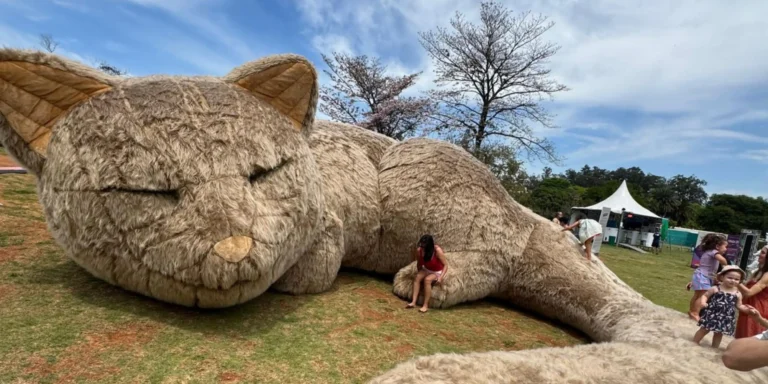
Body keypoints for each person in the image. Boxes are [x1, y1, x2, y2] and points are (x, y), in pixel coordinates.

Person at [692, 266, 751, 349]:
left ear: (740, 281)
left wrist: (746, 309)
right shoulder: (716, 288)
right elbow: (705, 295)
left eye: (736, 279)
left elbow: (739, 305)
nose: (733, 280)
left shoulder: (737, 293)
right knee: (704, 329)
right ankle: (695, 342)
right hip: (712, 313)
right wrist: (703, 302)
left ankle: (714, 347)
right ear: (722, 277)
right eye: (730, 277)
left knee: (719, 333)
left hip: (726, 317)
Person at [687, 234, 729, 321]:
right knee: (702, 295)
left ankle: (691, 311)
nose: (726, 249)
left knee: (696, 295)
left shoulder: (708, 252)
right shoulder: (714, 252)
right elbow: (722, 260)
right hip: (703, 276)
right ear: (717, 246)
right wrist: (726, 265)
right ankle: (695, 313)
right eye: (725, 246)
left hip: (699, 275)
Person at [405, 234, 448, 313]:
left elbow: (445, 265)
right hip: (427, 269)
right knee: (417, 278)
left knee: (427, 280)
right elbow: (419, 263)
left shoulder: (437, 251)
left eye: (424, 245)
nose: (422, 247)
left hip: (436, 271)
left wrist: (440, 277)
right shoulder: (419, 250)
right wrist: (419, 271)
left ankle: (425, 305)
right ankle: (413, 302)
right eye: (422, 245)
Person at [735, 246, 768, 338]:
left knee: (751, 335)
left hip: (759, 308)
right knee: (742, 334)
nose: (759, 255)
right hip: (748, 305)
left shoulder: (767, 275)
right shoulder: (758, 272)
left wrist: (735, 279)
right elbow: (743, 288)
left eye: (763, 253)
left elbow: (749, 292)